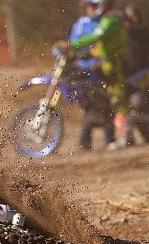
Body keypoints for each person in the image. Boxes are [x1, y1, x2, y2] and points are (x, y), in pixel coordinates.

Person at [61, 0, 130, 149]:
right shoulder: (99, 21)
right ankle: (87, 143)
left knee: (116, 100)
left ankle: (124, 137)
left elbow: (96, 38)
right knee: (97, 102)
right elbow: (101, 45)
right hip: (102, 65)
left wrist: (72, 45)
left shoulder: (110, 21)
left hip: (112, 65)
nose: (90, 9)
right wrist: (87, 53)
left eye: (93, 6)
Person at [68, 0, 115, 151]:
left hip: (101, 69)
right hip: (84, 70)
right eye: (90, 6)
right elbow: (73, 42)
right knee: (87, 106)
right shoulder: (81, 23)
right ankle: (84, 143)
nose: (91, 9)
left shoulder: (106, 22)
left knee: (105, 104)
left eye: (94, 6)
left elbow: (106, 43)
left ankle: (110, 140)